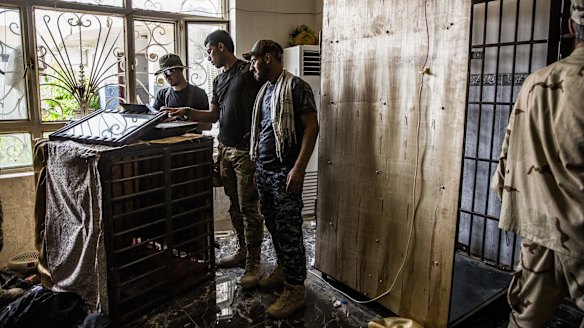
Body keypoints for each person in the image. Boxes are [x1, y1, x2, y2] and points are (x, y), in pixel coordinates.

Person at [491, 1, 584, 327]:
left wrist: (513, 197)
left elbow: (507, 155)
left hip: (539, 227)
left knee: (526, 318)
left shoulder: (535, 81)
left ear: (571, 28)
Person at [166, 31, 264, 288]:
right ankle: (243, 251)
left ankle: (254, 262)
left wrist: (257, 132)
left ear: (221, 47)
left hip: (246, 153)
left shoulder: (248, 71)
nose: (208, 57)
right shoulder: (218, 80)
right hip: (225, 150)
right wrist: (186, 112)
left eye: (209, 51)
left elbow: (267, 102)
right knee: (234, 205)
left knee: (248, 208)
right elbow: (212, 116)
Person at [243, 40, 319, 319]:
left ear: (269, 57)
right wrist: (257, 169)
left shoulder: (297, 87)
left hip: (286, 173)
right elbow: (262, 132)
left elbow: (312, 129)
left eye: (254, 60)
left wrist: (298, 169)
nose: (251, 66)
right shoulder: (266, 90)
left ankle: (295, 289)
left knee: (289, 231)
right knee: (274, 226)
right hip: (265, 172)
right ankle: (284, 268)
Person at [152, 53, 211, 131]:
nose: (167, 77)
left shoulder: (198, 94)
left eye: (169, 71)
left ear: (180, 69)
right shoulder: (162, 95)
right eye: (164, 73)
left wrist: (183, 120)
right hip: (169, 141)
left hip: (191, 142)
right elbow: (152, 122)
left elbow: (207, 125)